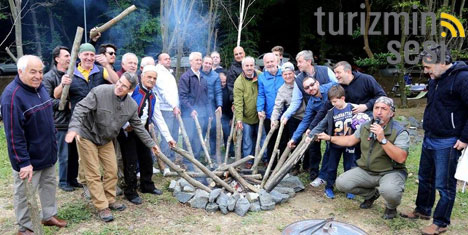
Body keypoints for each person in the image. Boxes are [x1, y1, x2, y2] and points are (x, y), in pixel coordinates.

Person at [65, 72, 159, 222]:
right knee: (94, 173)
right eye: (119, 82)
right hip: (87, 135)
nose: (119, 87)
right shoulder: (100, 91)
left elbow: (139, 127)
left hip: (106, 139)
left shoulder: (131, 105)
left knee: (111, 169)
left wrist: (151, 144)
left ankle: (110, 199)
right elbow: (80, 108)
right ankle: (102, 207)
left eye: (124, 86)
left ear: (130, 90)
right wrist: (73, 128)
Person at [400, 45, 468, 235]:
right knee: (424, 178)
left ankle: (440, 222)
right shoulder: (435, 80)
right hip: (430, 136)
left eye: (428, 67)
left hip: (449, 140)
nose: (425, 71)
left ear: (442, 62)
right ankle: (422, 210)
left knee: (444, 185)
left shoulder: (462, 78)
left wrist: (464, 138)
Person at [1, 55, 67, 234]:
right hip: (29, 159)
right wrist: (23, 162)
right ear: (20, 71)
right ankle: (25, 227)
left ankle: (49, 215)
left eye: (40, 71)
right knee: (24, 195)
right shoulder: (12, 97)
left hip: (47, 152)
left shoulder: (39, 88)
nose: (38, 76)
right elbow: (14, 135)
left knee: (49, 185)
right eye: (33, 72)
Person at [316, 97, 409, 220]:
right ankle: (371, 195)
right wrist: (330, 138)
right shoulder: (365, 127)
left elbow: (401, 158)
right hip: (367, 170)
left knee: (390, 191)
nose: (379, 112)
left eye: (384, 109)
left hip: (390, 171)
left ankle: (391, 207)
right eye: (376, 108)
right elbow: (350, 140)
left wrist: (382, 139)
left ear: (391, 113)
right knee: (342, 183)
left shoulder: (399, 131)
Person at [308, 60, 386, 188]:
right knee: (331, 149)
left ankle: (362, 180)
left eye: (338, 72)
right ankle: (323, 177)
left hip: (364, 124)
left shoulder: (367, 80)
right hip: (342, 126)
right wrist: (311, 128)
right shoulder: (338, 87)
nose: (336, 75)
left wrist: (365, 106)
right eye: (335, 73)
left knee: (358, 154)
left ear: (348, 72)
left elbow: (381, 96)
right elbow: (325, 109)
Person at [120, 65, 176, 205]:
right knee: (131, 162)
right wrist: (125, 126)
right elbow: (120, 110)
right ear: (142, 77)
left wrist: (168, 137)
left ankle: (147, 185)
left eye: (154, 78)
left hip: (143, 130)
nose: (151, 80)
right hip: (128, 132)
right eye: (149, 77)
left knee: (147, 159)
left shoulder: (153, 96)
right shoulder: (132, 92)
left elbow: (158, 118)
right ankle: (131, 191)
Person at [282, 50, 337, 180]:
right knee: (313, 146)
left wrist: (323, 89)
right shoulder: (300, 80)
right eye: (307, 88)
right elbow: (297, 104)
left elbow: (338, 85)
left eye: (300, 61)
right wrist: (294, 137)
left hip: (335, 116)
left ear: (309, 61)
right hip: (316, 117)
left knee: (333, 147)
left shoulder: (325, 71)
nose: (298, 65)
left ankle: (329, 176)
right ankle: (315, 173)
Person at [306, 85, 356, 199]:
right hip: (334, 144)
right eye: (332, 102)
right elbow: (322, 124)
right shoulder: (331, 112)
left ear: (342, 98)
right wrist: (311, 135)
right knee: (331, 167)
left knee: (349, 166)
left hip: (350, 143)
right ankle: (329, 187)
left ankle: (349, 188)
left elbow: (362, 121)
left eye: (335, 101)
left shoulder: (352, 108)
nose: (333, 104)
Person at [43, 46, 77, 192]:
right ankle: (63, 182)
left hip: (74, 121)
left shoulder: (74, 75)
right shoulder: (49, 77)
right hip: (59, 121)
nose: (69, 58)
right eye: (66, 56)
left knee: (74, 154)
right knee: (64, 155)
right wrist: (65, 104)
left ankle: (72, 179)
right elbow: (47, 102)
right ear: (57, 59)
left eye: (70, 55)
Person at [178, 52, 210, 169]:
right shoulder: (185, 77)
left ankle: (196, 160)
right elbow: (182, 96)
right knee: (189, 138)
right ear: (190, 62)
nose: (199, 62)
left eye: (200, 60)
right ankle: (187, 162)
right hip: (188, 114)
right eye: (196, 60)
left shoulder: (203, 78)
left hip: (201, 114)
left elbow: (206, 97)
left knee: (198, 138)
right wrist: (191, 109)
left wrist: (208, 112)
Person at [233, 56, 264, 161]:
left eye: (251, 65)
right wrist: (239, 119)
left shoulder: (261, 76)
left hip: (261, 115)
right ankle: (248, 160)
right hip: (247, 117)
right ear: (243, 67)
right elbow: (238, 102)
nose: (250, 68)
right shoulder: (238, 82)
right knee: (247, 140)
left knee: (263, 138)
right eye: (247, 66)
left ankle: (265, 159)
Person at [154, 53, 180, 174]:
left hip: (170, 108)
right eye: (165, 59)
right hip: (164, 108)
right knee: (166, 136)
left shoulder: (168, 72)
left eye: (169, 58)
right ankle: (164, 164)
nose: (168, 60)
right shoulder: (159, 73)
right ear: (159, 61)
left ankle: (165, 160)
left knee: (169, 135)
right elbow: (164, 92)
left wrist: (175, 105)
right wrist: (173, 105)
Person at [271, 62, 304, 151]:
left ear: (294, 73)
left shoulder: (302, 82)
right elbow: (278, 106)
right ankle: (295, 164)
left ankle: (307, 164)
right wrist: (273, 119)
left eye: (290, 73)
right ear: (282, 75)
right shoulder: (282, 90)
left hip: (306, 117)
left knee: (307, 144)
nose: (288, 76)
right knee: (294, 141)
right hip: (294, 117)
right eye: (285, 74)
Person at [257, 53, 284, 161]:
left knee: (283, 140)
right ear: (264, 64)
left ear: (276, 61)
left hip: (284, 114)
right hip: (269, 114)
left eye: (271, 61)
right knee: (270, 140)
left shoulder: (284, 74)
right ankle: (271, 163)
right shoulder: (262, 77)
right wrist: (260, 109)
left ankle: (282, 164)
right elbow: (261, 94)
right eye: (267, 62)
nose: (270, 64)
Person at [201, 56, 223, 162]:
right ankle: (200, 152)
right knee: (201, 130)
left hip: (212, 106)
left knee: (213, 131)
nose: (208, 65)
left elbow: (218, 92)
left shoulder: (215, 76)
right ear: (202, 63)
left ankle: (213, 153)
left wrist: (219, 105)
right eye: (206, 63)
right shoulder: (198, 74)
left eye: (210, 63)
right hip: (200, 106)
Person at [219, 71, 234, 156]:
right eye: (221, 82)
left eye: (224, 82)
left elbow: (232, 103)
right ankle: (216, 152)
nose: (222, 84)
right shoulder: (216, 88)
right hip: (218, 114)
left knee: (228, 133)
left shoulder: (229, 89)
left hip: (227, 114)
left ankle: (230, 151)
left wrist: (232, 118)